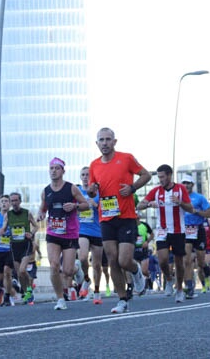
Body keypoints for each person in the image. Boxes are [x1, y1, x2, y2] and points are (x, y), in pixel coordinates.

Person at [86, 127, 151, 314]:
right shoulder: (94, 165)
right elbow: (93, 188)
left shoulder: (126, 158)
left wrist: (132, 188)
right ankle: (122, 300)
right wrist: (92, 191)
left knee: (124, 260)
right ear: (97, 143)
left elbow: (146, 175)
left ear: (114, 142)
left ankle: (136, 270)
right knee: (112, 260)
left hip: (126, 216)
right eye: (101, 140)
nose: (104, 143)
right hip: (106, 218)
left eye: (108, 139)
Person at [137, 164, 195, 304]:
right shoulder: (156, 191)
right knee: (162, 259)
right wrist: (150, 204)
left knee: (178, 261)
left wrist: (180, 202)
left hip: (178, 230)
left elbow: (191, 209)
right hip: (162, 230)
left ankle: (180, 289)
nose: (160, 180)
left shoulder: (180, 189)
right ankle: (169, 279)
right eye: (159, 177)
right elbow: (139, 205)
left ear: (169, 175)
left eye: (162, 177)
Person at [38, 158, 89, 309]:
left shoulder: (71, 188)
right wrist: (40, 214)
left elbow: (85, 205)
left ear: (63, 171)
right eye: (51, 168)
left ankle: (77, 269)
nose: (53, 171)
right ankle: (60, 299)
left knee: (67, 271)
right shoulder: (46, 191)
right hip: (53, 232)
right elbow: (43, 209)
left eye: (57, 168)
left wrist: (74, 205)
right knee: (54, 265)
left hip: (70, 233)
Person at [5, 191, 38, 304]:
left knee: (23, 270)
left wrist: (31, 233)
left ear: (20, 201)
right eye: (12, 201)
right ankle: (27, 292)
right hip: (14, 246)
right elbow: (4, 227)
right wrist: (2, 231)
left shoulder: (27, 213)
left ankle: (29, 289)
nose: (14, 203)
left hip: (25, 244)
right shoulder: (8, 215)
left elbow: (36, 226)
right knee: (19, 274)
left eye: (16, 200)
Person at [76, 166, 103, 304]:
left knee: (97, 265)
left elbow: (109, 209)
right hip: (82, 230)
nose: (85, 177)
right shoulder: (77, 192)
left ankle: (97, 292)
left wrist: (97, 205)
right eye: (83, 174)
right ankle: (86, 279)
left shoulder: (99, 192)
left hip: (97, 231)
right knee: (82, 258)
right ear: (80, 177)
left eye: (88, 174)